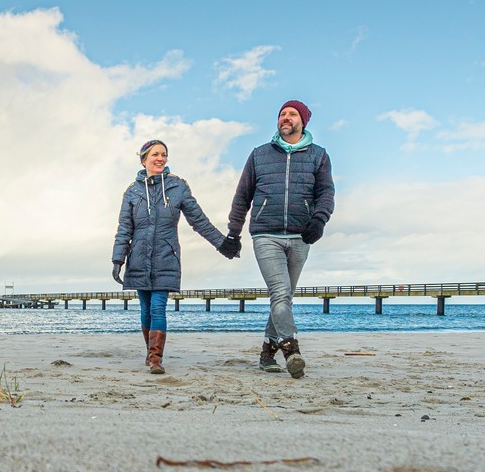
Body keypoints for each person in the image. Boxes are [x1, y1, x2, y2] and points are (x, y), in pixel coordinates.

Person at [217, 99, 335, 378]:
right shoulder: (259, 154)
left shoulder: (318, 155)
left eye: (292, 114)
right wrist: (233, 232)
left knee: (284, 298)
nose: (286, 118)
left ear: (302, 121)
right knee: (280, 293)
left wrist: (319, 220)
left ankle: (267, 354)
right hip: (265, 233)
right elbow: (242, 195)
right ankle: (291, 350)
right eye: (282, 114)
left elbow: (326, 194)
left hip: (300, 235)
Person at [112, 139, 230, 375]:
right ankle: (149, 354)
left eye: (164, 154)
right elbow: (125, 228)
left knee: (158, 307)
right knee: (145, 309)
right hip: (138, 258)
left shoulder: (178, 187)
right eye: (155, 154)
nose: (160, 159)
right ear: (144, 159)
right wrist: (118, 259)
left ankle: (156, 359)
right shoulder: (132, 192)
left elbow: (198, 220)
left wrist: (222, 243)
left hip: (166, 256)